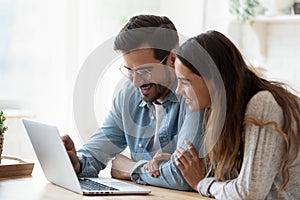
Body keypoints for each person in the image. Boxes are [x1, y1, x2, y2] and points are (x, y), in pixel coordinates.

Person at [62, 14, 203, 191]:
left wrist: (131, 169)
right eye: (129, 71)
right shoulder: (129, 94)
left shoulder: (194, 96)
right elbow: (97, 151)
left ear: (172, 60)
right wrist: (76, 162)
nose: (136, 82)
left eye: (144, 71)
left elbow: (183, 176)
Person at [173, 30, 300, 199]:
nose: (178, 90)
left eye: (185, 82)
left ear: (213, 77)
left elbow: (249, 192)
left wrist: (201, 183)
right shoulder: (223, 111)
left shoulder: (262, 103)